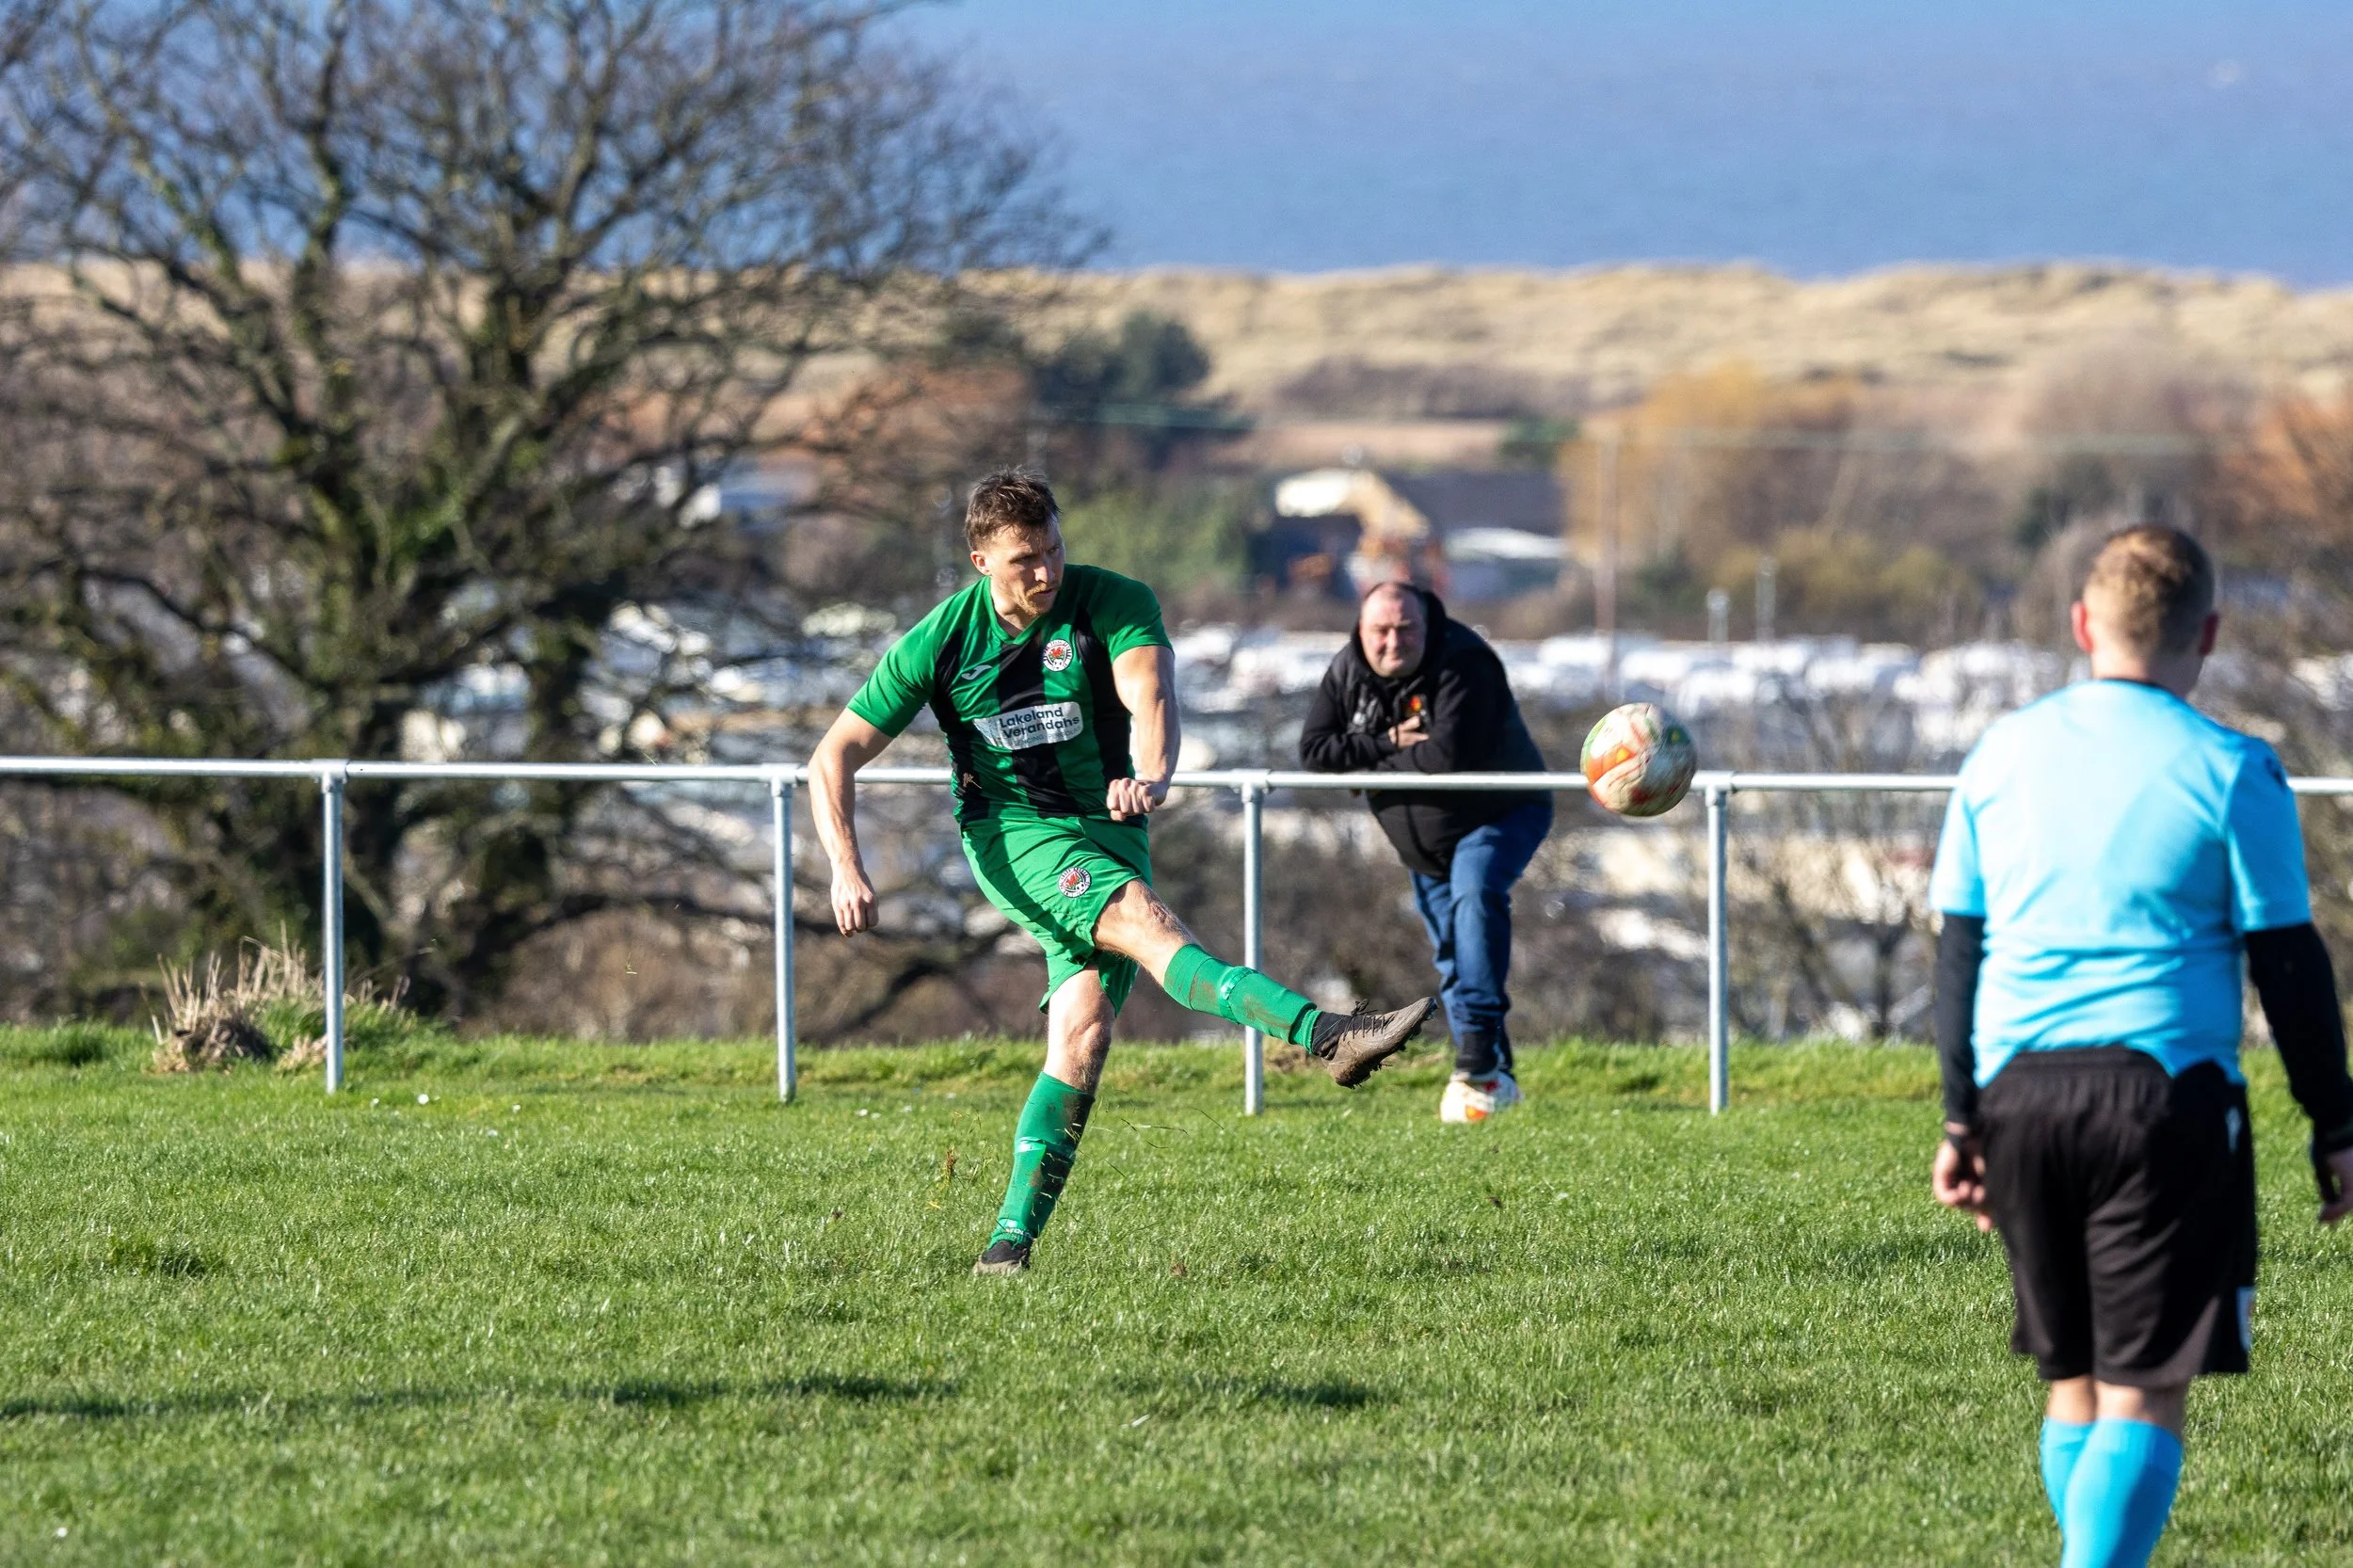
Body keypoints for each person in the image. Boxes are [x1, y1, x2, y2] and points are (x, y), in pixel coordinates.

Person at [809, 469, 1435, 1276]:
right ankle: (1328, 1035)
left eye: (1054, 549)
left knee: (1082, 1037)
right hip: (1016, 835)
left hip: (1114, 823)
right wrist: (845, 866)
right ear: (979, 562)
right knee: (1146, 921)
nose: (1046, 572)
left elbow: (1151, 693)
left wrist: (1154, 772)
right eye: (1024, 560)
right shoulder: (941, 642)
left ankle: (1007, 1246)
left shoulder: (1114, 599)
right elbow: (836, 755)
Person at [1929, 525, 2353, 1568]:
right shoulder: (2231, 768)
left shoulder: (1997, 755)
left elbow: (1958, 951)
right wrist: (2335, 1121)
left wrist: (1959, 1115)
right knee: (2144, 1391)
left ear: (2082, 625)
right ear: (2206, 633)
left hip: (2020, 1099)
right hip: (2160, 1101)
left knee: (2073, 1381)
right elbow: (2287, 965)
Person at [1299, 582, 1552, 1123]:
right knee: (1452, 957)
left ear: (1427, 625)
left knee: (1476, 897)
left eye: (1405, 628)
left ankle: (1477, 1060)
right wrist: (1391, 741)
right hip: (1422, 845)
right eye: (1380, 631)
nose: (1393, 641)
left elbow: (1444, 756)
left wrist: (1363, 769)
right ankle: (1494, 1080)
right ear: (1361, 631)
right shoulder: (1348, 670)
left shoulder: (1465, 662)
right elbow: (1316, 752)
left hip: (1497, 816)